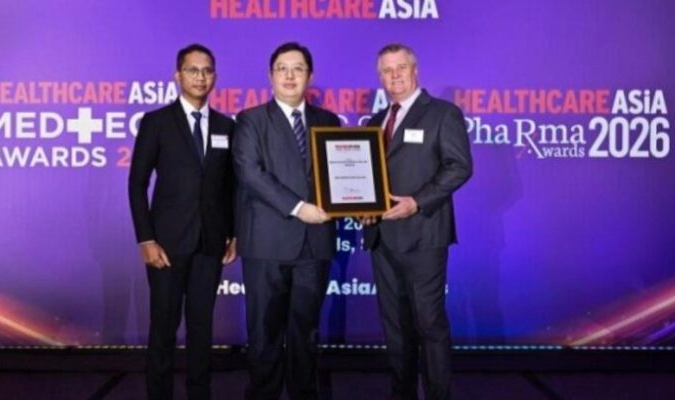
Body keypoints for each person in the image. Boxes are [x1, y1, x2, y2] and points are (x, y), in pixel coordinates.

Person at [363, 43, 473, 400]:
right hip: (382, 238)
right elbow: (369, 178)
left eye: (400, 67)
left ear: (415, 70)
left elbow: (460, 166)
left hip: (424, 235)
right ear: (380, 77)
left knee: (429, 324)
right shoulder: (375, 122)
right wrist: (364, 205)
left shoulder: (442, 113)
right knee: (395, 328)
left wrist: (418, 202)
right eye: (386, 70)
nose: (394, 75)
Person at [232, 42, 341, 400]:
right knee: (264, 332)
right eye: (282, 68)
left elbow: (341, 175)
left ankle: (303, 393)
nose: (290, 75)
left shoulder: (329, 121)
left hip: (315, 242)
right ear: (270, 76)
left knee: (305, 332)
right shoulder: (250, 120)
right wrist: (298, 207)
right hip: (267, 242)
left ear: (310, 75)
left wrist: (356, 200)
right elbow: (251, 174)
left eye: (298, 68)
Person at [128, 43, 237, 400]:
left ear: (214, 76)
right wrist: (146, 239)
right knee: (163, 329)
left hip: (210, 244)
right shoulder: (157, 122)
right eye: (193, 70)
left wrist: (233, 233)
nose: (200, 77)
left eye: (207, 70)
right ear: (178, 75)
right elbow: (137, 183)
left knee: (202, 330)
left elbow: (230, 186)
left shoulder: (226, 126)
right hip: (166, 246)